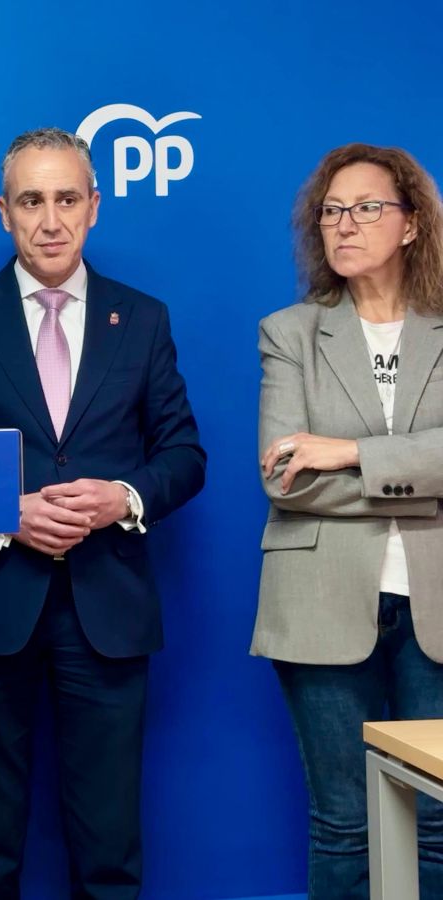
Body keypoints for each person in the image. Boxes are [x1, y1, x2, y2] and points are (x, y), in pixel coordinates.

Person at [0, 126, 205, 899]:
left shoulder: (143, 318)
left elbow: (183, 455)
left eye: (67, 200)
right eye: (31, 201)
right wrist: (1, 512)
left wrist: (122, 499)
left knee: (108, 851)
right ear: (3, 212)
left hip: (107, 609)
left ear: (94, 207)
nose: (50, 220)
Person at [253, 143, 443, 898]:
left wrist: (346, 453)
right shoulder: (289, 332)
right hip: (320, 602)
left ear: (410, 224)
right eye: (331, 211)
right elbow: (284, 479)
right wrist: (421, 481)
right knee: (341, 823)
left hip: (435, 605)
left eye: (366, 208)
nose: (345, 224)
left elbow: (319, 465)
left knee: (438, 823)